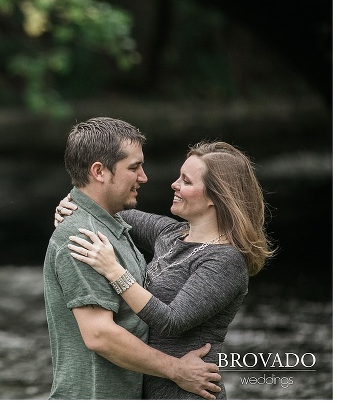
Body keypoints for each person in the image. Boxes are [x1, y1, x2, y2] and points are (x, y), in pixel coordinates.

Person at [55, 140, 275, 399]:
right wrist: (70, 206)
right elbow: (105, 209)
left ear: (216, 198)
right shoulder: (170, 234)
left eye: (187, 181)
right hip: (148, 388)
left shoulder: (225, 261)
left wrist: (114, 271)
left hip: (188, 392)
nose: (175, 184)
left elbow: (172, 321)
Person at [44, 117, 222, 400]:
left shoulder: (112, 225)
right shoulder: (82, 238)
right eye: (134, 167)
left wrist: (73, 201)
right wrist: (177, 370)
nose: (144, 177)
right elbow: (99, 335)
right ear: (99, 172)